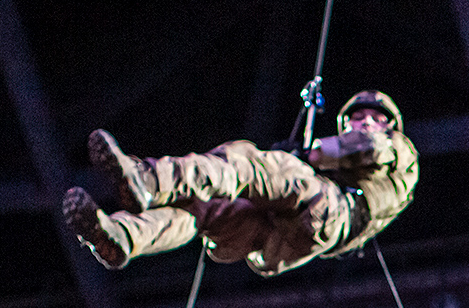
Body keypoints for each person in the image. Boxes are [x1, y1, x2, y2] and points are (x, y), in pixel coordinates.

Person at [64, 90, 419, 274]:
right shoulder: (336, 168)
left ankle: (148, 178)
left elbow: (368, 147)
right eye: (357, 117)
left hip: (330, 212)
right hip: (281, 241)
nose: (366, 122)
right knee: (205, 211)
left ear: (390, 125)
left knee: (245, 162)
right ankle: (123, 236)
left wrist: (308, 154)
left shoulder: (399, 150)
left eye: (376, 117)